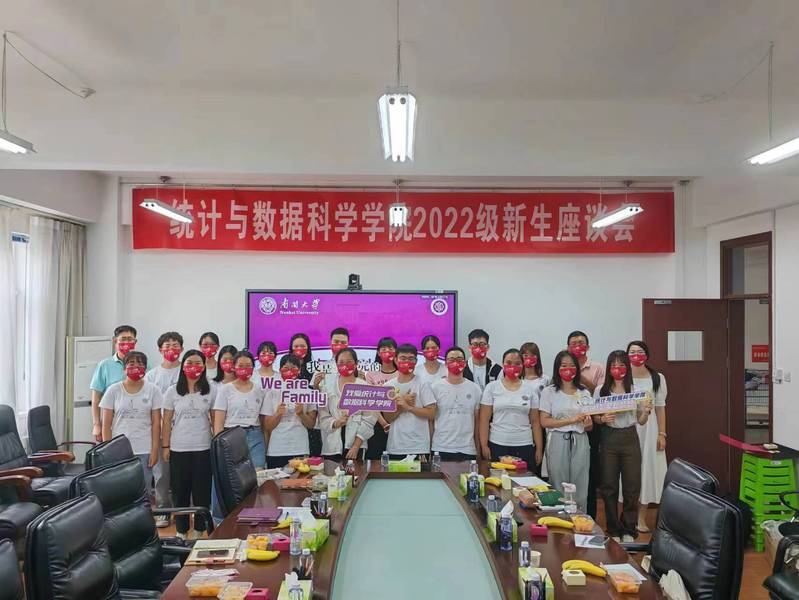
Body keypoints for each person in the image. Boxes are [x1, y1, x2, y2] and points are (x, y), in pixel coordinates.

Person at [594, 350, 652, 542]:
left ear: (627, 367)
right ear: (608, 368)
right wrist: (602, 418)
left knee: (632, 486)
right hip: (609, 437)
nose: (617, 369)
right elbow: (595, 418)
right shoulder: (601, 390)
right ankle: (613, 528)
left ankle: (629, 528)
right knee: (608, 485)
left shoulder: (636, 390)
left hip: (630, 437)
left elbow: (641, 421)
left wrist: (646, 411)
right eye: (613, 365)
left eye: (621, 365)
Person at [161, 350, 216, 540]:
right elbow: (166, 421)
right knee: (180, 492)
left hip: (203, 448)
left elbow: (215, 420)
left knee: (202, 492)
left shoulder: (211, 390)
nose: (194, 367)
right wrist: (165, 446)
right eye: (190, 363)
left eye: (198, 363)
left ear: (204, 366)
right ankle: (181, 531)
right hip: (178, 448)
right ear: (183, 366)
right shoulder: (172, 391)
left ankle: (199, 530)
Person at [100, 351, 162, 500]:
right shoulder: (113, 390)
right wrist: (108, 451)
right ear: (124, 368)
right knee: (120, 491)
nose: (136, 366)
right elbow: (106, 425)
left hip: (144, 449)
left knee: (144, 492)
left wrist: (154, 450)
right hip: (119, 450)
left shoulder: (153, 390)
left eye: (140, 363)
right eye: (131, 363)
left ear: (145, 368)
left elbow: (156, 423)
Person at [539, 350, 594, 512]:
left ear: (577, 368)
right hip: (557, 439)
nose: (568, 369)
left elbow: (589, 426)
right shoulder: (549, 391)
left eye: (571, 366)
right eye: (564, 366)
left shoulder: (584, 392)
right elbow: (544, 421)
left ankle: (580, 519)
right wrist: (571, 420)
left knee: (580, 482)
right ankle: (559, 519)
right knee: (558, 482)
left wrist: (587, 424)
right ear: (557, 368)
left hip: (580, 440)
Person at [628, 340, 668, 533]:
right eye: (632, 352)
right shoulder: (622, 377)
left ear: (647, 355)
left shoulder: (657, 377)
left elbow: (660, 408)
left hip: (650, 431)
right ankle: (626, 516)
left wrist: (662, 433)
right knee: (628, 473)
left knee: (647, 471)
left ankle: (641, 518)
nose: (636, 355)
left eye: (640, 351)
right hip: (628, 428)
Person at [144, 331, 184, 528]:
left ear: (182, 349)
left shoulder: (186, 371)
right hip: (160, 431)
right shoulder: (152, 375)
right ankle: (163, 511)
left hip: (184, 431)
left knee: (183, 473)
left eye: (175, 345)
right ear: (160, 350)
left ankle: (184, 510)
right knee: (161, 474)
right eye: (167, 346)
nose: (171, 349)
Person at [478, 349, 544, 467]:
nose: (512, 366)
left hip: (524, 444)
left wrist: (539, 448)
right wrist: (484, 445)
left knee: (524, 478)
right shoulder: (492, 387)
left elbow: (535, 422)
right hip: (497, 443)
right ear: (502, 364)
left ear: (523, 365)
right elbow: (484, 419)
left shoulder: (530, 389)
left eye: (517, 363)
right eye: (508, 363)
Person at [566, 330, 605, 518]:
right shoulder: (563, 366)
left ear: (587, 347)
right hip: (569, 425)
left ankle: (590, 516)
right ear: (568, 348)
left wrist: (579, 376)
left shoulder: (598, 368)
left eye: (581, 343)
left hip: (591, 425)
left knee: (589, 473)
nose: (578, 346)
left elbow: (600, 394)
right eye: (573, 344)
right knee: (568, 472)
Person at [317, 348, 376, 461]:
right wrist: (336, 423)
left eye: (349, 362)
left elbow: (369, 419)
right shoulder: (327, 388)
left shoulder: (365, 387)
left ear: (356, 364)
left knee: (356, 472)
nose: (345, 365)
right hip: (332, 446)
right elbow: (322, 416)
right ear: (336, 364)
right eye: (341, 362)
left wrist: (356, 446)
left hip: (356, 446)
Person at [261, 355, 318, 468]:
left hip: (300, 447)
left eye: (293, 368)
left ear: (299, 370)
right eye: (286, 368)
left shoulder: (308, 392)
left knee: (300, 478)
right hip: (277, 449)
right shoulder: (272, 391)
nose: (289, 371)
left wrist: (301, 414)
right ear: (280, 370)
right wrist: (277, 414)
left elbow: (311, 424)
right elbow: (267, 426)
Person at [212, 350, 265, 467]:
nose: (244, 369)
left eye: (248, 366)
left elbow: (262, 419)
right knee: (234, 473)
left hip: (254, 435)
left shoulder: (259, 389)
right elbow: (218, 422)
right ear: (234, 367)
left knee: (258, 471)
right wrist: (219, 445)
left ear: (253, 368)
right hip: (232, 435)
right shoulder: (225, 389)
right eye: (240, 366)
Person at [383, 343, 437, 459]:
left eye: (411, 359)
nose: (407, 362)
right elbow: (388, 418)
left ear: (416, 361)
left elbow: (432, 413)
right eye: (403, 358)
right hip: (395, 447)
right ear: (395, 360)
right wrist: (402, 405)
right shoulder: (388, 386)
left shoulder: (423, 384)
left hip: (419, 447)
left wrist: (409, 408)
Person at [430, 346, 482, 461]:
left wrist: (478, 449)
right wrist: (430, 446)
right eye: (451, 359)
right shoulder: (435, 387)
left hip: (468, 449)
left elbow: (477, 422)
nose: (455, 362)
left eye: (459, 359)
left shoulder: (475, 389)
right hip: (441, 447)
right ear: (445, 363)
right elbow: (431, 421)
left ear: (465, 363)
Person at [90, 325, 138, 441]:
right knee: (112, 449)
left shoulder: (143, 364)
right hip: (110, 420)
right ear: (115, 341)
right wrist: (97, 424)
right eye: (123, 339)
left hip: (136, 420)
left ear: (135, 342)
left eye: (130, 339)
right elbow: (96, 397)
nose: (126, 343)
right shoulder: (105, 365)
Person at [364, 337, 398, 459]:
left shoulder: (401, 374)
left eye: (390, 348)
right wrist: (384, 424)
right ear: (378, 353)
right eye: (384, 349)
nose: (387, 352)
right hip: (377, 423)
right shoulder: (371, 375)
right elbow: (371, 403)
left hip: (398, 421)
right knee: (377, 460)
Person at [290, 332, 321, 456]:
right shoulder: (286, 372)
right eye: (296, 346)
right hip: (291, 422)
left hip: (311, 420)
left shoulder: (315, 371)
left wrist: (317, 387)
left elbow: (319, 397)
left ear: (308, 348)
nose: (299, 349)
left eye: (302, 346)